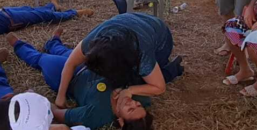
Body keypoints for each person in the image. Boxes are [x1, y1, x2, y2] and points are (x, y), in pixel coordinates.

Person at [5, 30, 155, 130]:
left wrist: (38, 98)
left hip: (68, 79)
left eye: (130, 109)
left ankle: (18, 45)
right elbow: (151, 88)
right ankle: (53, 42)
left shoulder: (96, 115)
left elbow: (58, 114)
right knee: (65, 52)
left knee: (40, 59)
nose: (133, 102)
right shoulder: (140, 98)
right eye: (137, 105)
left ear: (121, 122)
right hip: (91, 63)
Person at [54, 13, 183, 109]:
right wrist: (60, 95)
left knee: (136, 81)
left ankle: (172, 69)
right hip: (137, 21)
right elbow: (71, 63)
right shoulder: (93, 41)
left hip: (161, 38)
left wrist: (130, 90)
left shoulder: (142, 52)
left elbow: (159, 88)